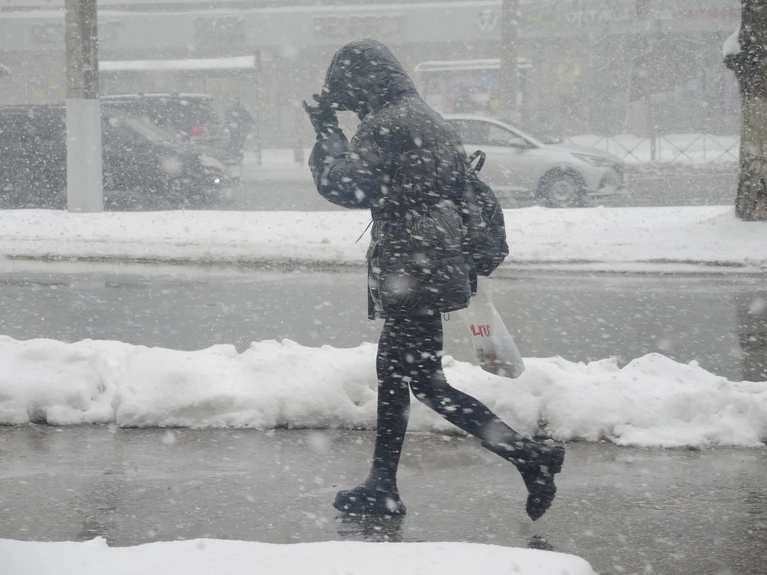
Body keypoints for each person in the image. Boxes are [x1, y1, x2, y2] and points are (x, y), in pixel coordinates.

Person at [303, 39, 564, 521]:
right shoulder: (422, 115)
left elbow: (346, 185)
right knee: (409, 378)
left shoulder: (389, 122)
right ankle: (387, 483)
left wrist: (327, 133)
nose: (351, 105)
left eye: (349, 94)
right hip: (432, 258)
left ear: (364, 84)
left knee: (414, 379)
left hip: (414, 262)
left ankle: (526, 457)